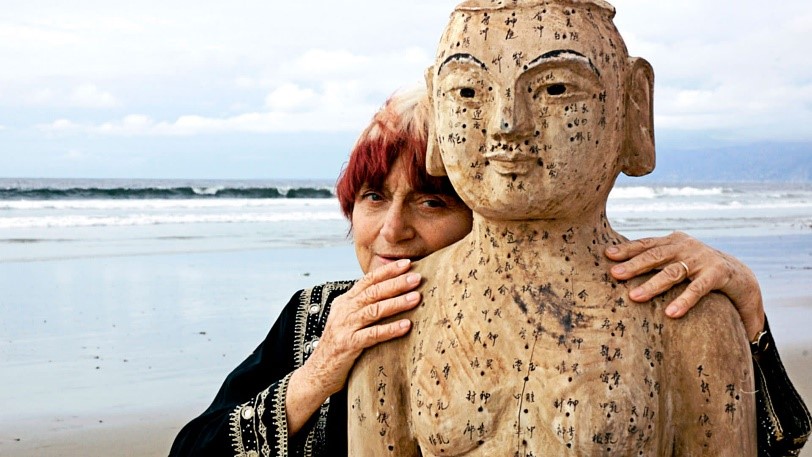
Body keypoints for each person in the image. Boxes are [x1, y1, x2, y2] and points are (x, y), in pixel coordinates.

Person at [168, 87, 809, 456]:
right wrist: (314, 378)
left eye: (430, 200)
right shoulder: (319, 316)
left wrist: (747, 316)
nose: (392, 231)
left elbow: (777, 444)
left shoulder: (622, 305)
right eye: (372, 198)